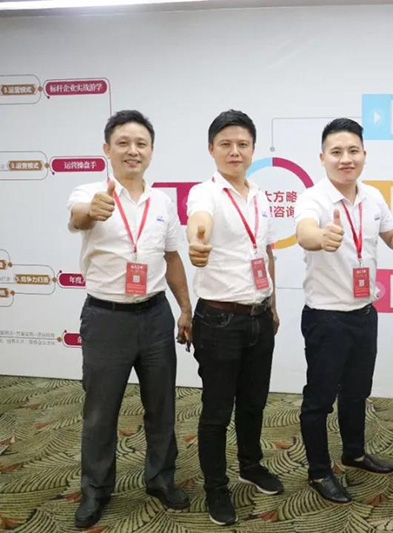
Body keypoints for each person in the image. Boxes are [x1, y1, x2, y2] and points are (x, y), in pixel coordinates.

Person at [68, 110, 192, 529]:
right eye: (123, 143)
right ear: (107, 149)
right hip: (107, 319)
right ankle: (95, 490)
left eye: (141, 143)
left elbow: (172, 258)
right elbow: (77, 217)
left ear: (151, 151)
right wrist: (92, 211)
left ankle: (160, 478)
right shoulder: (89, 192)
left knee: (162, 405)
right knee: (100, 413)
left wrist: (185, 308)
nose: (132, 150)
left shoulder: (162, 202)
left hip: (155, 315)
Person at [294, 118, 393, 504]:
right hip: (327, 317)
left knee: (358, 392)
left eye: (353, 151)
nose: (346, 159)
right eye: (337, 152)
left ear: (364, 154)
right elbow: (305, 233)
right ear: (322, 157)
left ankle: (354, 453)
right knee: (319, 399)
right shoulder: (313, 199)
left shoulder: (373, 197)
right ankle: (318, 471)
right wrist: (321, 237)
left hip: (364, 313)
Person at [186, 109, 281, 526]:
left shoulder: (259, 194)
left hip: (259, 317)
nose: (235, 151)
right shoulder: (204, 194)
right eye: (225, 144)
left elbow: (267, 252)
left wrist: (273, 304)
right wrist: (197, 241)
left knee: (254, 402)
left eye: (242, 144)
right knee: (216, 411)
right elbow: (199, 223)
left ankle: (250, 464)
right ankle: (216, 488)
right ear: (211, 149)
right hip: (219, 321)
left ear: (253, 149)